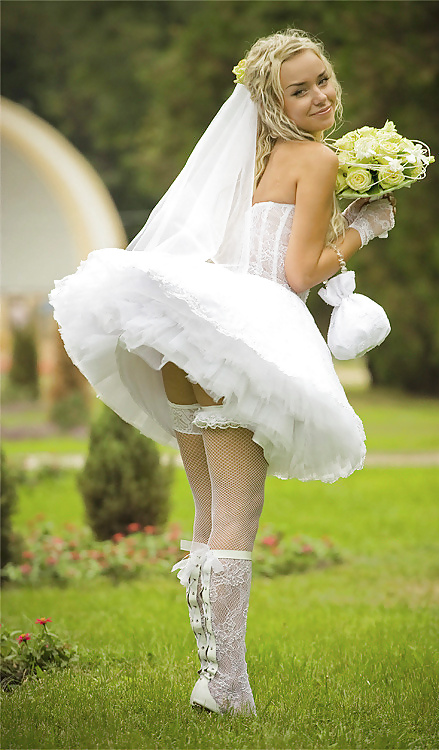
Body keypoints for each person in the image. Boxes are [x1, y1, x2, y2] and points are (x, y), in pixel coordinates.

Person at [49, 28, 395, 716]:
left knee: (210, 513)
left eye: (323, 79)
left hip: (188, 337)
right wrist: (366, 228)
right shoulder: (316, 160)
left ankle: (214, 674)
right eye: (299, 89)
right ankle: (226, 688)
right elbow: (300, 272)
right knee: (238, 513)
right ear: (270, 99)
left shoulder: (252, 155)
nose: (320, 95)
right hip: (243, 332)